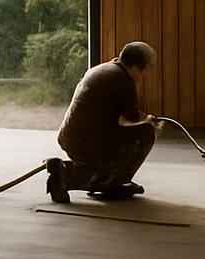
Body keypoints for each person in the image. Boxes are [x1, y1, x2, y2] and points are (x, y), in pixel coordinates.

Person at [46, 41, 162, 204]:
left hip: (70, 139)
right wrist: (149, 120)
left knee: (96, 163)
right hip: (89, 143)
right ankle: (111, 184)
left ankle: (65, 172)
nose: (144, 76)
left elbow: (116, 116)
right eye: (146, 70)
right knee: (146, 132)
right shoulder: (123, 79)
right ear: (136, 67)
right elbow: (132, 118)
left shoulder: (104, 68)